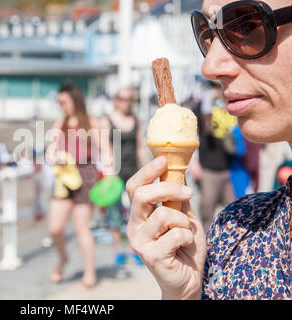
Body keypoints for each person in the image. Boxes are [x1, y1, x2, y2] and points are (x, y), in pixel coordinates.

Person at [126, 0, 292, 300]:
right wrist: (183, 294)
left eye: (245, 26)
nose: (209, 66)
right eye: (207, 34)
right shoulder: (234, 232)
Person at [46, 83, 114, 289]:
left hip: (86, 175)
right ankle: (63, 258)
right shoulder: (60, 124)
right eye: (59, 102)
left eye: (64, 101)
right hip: (65, 177)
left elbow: (106, 151)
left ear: (75, 101)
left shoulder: (91, 123)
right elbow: (50, 151)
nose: (61, 105)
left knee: (82, 227)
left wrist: (110, 178)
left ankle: (90, 272)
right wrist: (54, 157)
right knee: (55, 227)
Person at [102, 88, 150, 267]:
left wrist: (147, 168)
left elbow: (140, 147)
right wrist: (110, 170)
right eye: (122, 99)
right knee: (114, 214)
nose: (126, 102)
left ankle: (134, 249)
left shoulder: (136, 119)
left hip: (133, 171)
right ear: (116, 100)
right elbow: (105, 146)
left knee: (135, 213)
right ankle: (117, 250)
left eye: (130, 99)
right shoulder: (107, 120)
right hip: (114, 172)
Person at [190, 83, 236, 231]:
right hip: (209, 170)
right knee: (206, 213)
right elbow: (193, 130)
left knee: (234, 212)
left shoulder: (230, 107)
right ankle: (206, 248)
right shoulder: (203, 110)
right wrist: (193, 162)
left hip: (229, 168)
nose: (218, 90)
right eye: (215, 87)